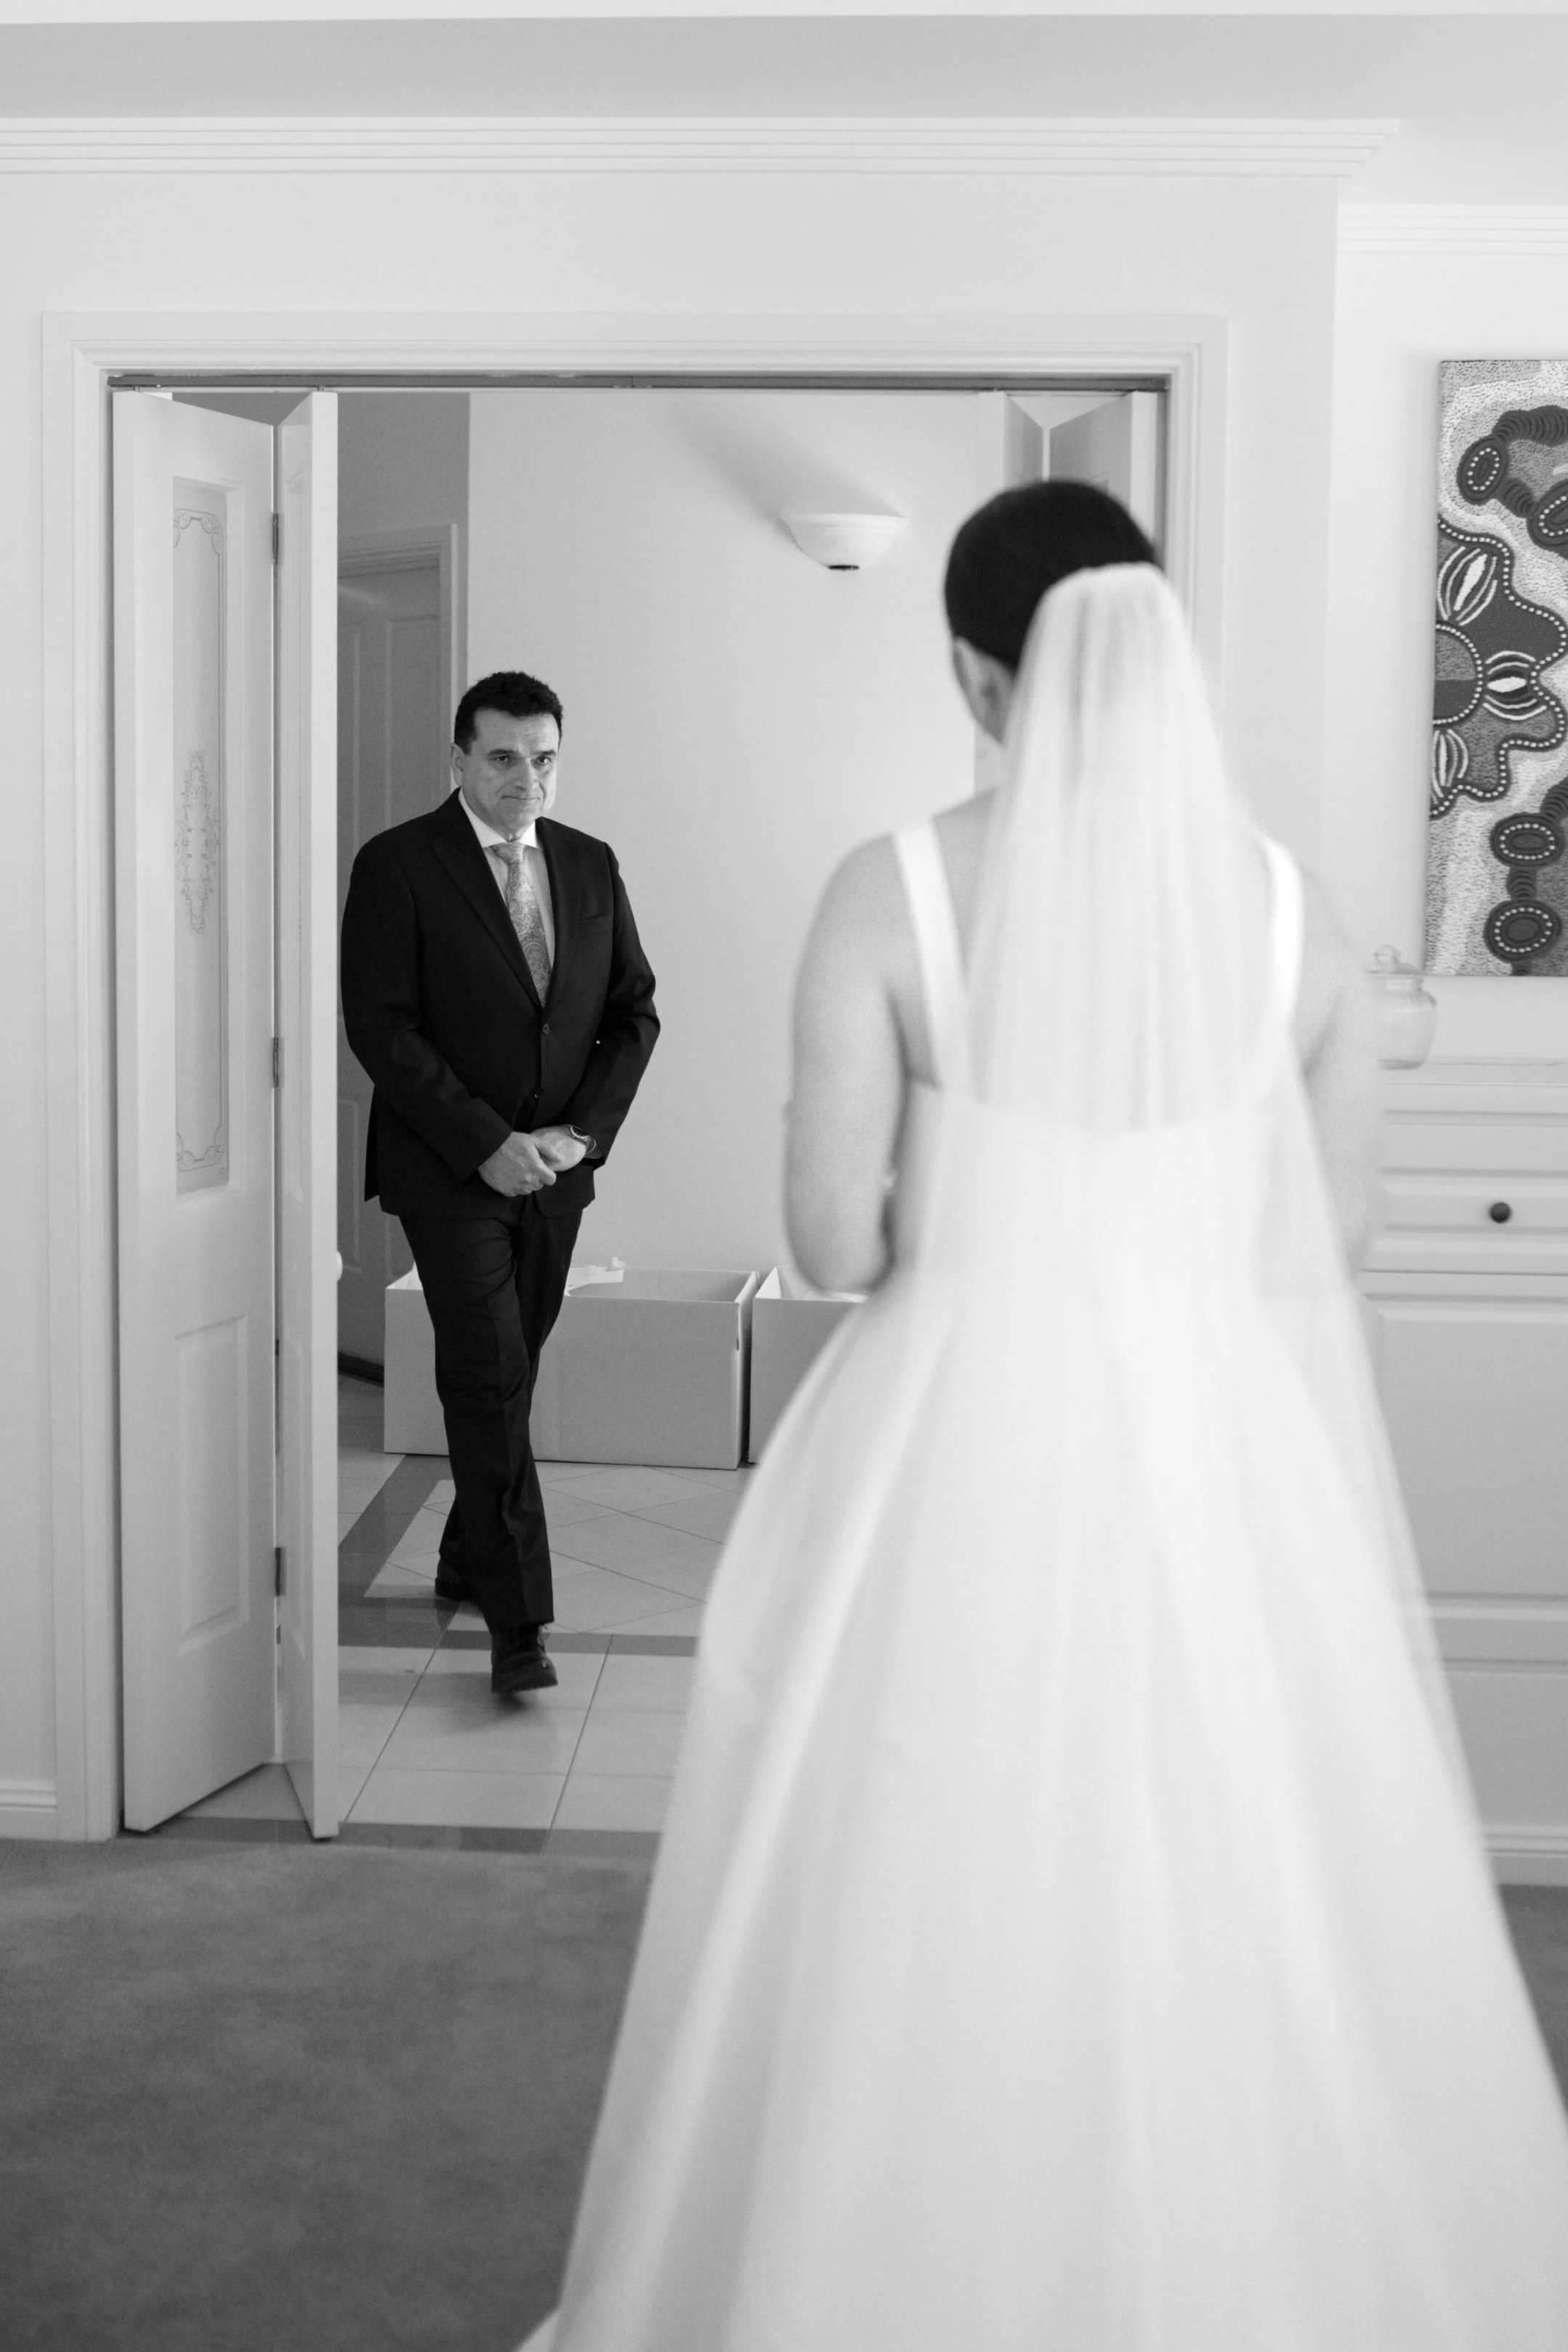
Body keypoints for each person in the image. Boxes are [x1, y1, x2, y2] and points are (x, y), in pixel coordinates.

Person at [519, 487, 1568, 2350]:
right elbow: (1318, 1239)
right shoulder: (1282, 909)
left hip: (961, 1450)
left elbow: (831, 1236)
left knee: (929, 1876)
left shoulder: (894, 886)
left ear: (966, 669)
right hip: (1213, 1457)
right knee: (1229, 1865)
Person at [341, 670, 658, 1696]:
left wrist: (578, 1135)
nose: (528, 778)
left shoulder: (590, 864)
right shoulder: (397, 865)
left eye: (545, 759)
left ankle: (463, 1553)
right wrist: (486, 1140)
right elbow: (381, 1025)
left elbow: (632, 1013)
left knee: (508, 1372)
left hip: (557, 1172)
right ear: (459, 759)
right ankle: (518, 1627)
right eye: (504, 758)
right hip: (448, 1170)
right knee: (485, 1375)